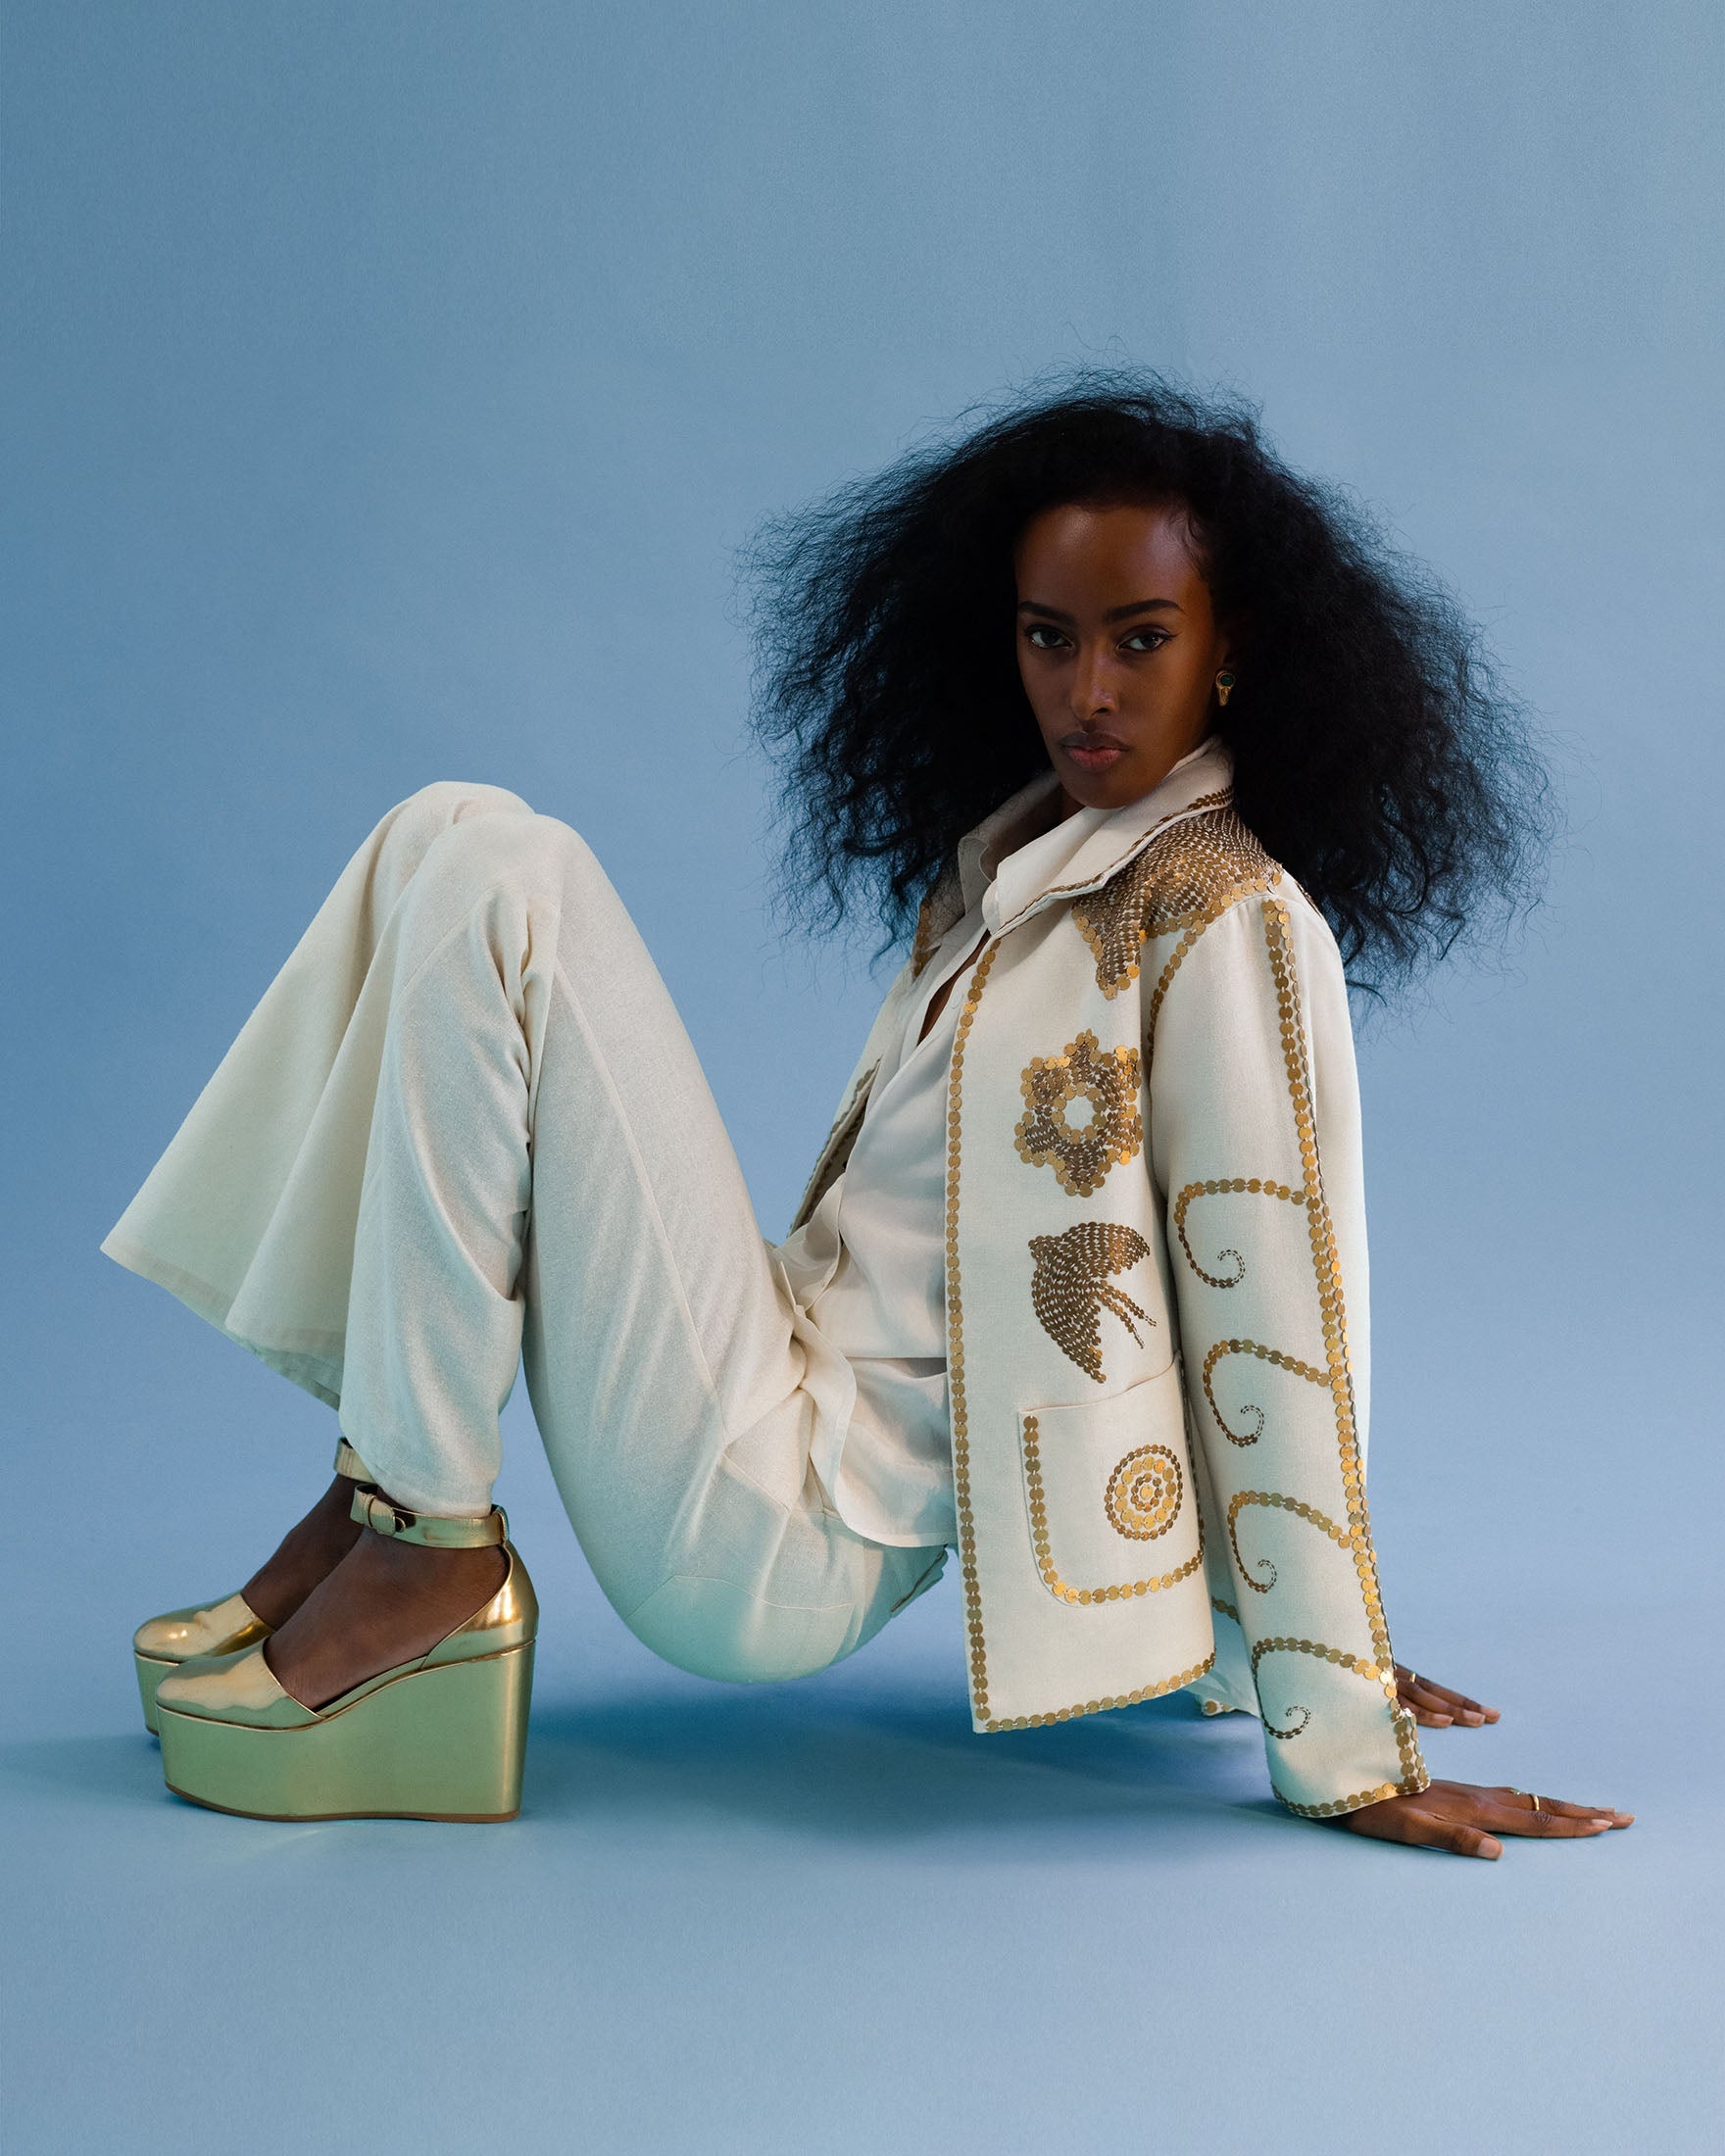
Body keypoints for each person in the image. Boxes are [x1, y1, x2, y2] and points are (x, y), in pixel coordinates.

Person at [108, 375, 1631, 1856]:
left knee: (516, 885)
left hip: (792, 1518)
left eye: (1141, 641)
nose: (1087, 693)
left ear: (1233, 650)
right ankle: (386, 1489)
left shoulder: (1225, 916)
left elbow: (1272, 1303)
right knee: (449, 831)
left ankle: (422, 1549)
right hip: (770, 1363)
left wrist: (1336, 1700)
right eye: (1050, 639)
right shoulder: (1013, 867)